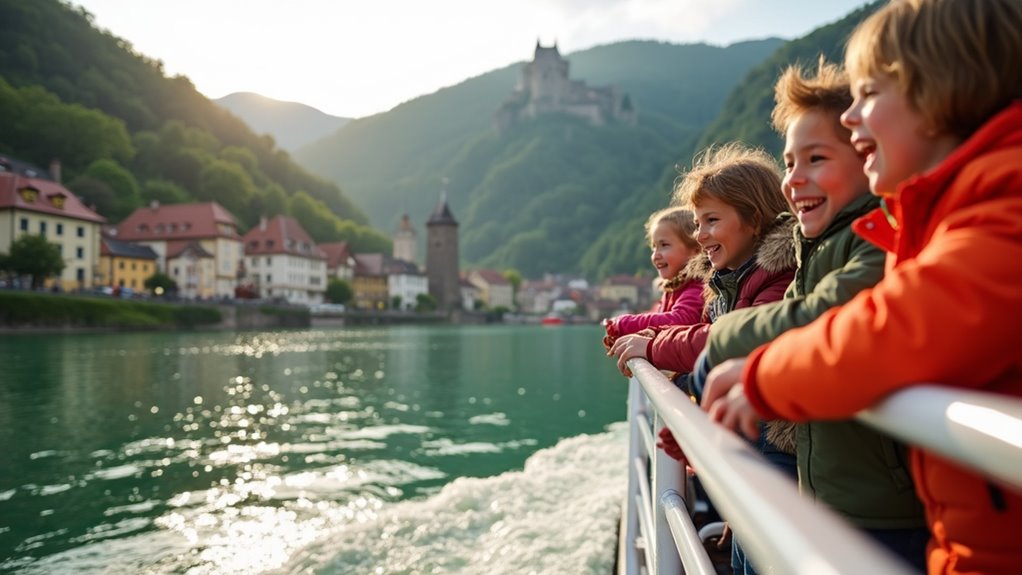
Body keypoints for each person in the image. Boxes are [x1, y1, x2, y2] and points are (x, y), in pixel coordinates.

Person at [701, 1, 1022, 573]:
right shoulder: (951, 210)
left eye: (869, 94)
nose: (852, 117)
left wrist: (764, 377)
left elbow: (899, 323)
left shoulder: (1005, 199)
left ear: (942, 93)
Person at [693, 59, 928, 572]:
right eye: (789, 162)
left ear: (869, 152)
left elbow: (815, 316)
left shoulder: (878, 237)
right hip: (830, 492)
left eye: (816, 158)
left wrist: (721, 337)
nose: (794, 179)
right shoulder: (814, 248)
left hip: (885, 512)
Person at [607, 142, 798, 575]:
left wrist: (653, 345)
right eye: (697, 223)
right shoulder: (727, 281)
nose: (701, 235)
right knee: (743, 555)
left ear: (753, 219)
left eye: (712, 220)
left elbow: (729, 339)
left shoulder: (777, 275)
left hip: (773, 444)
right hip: (745, 446)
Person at [602, 206, 703, 348]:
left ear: (695, 251)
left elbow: (680, 319)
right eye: (654, 247)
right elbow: (658, 314)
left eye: (664, 245)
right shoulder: (673, 288)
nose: (655, 255)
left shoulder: (697, 286)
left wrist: (624, 324)